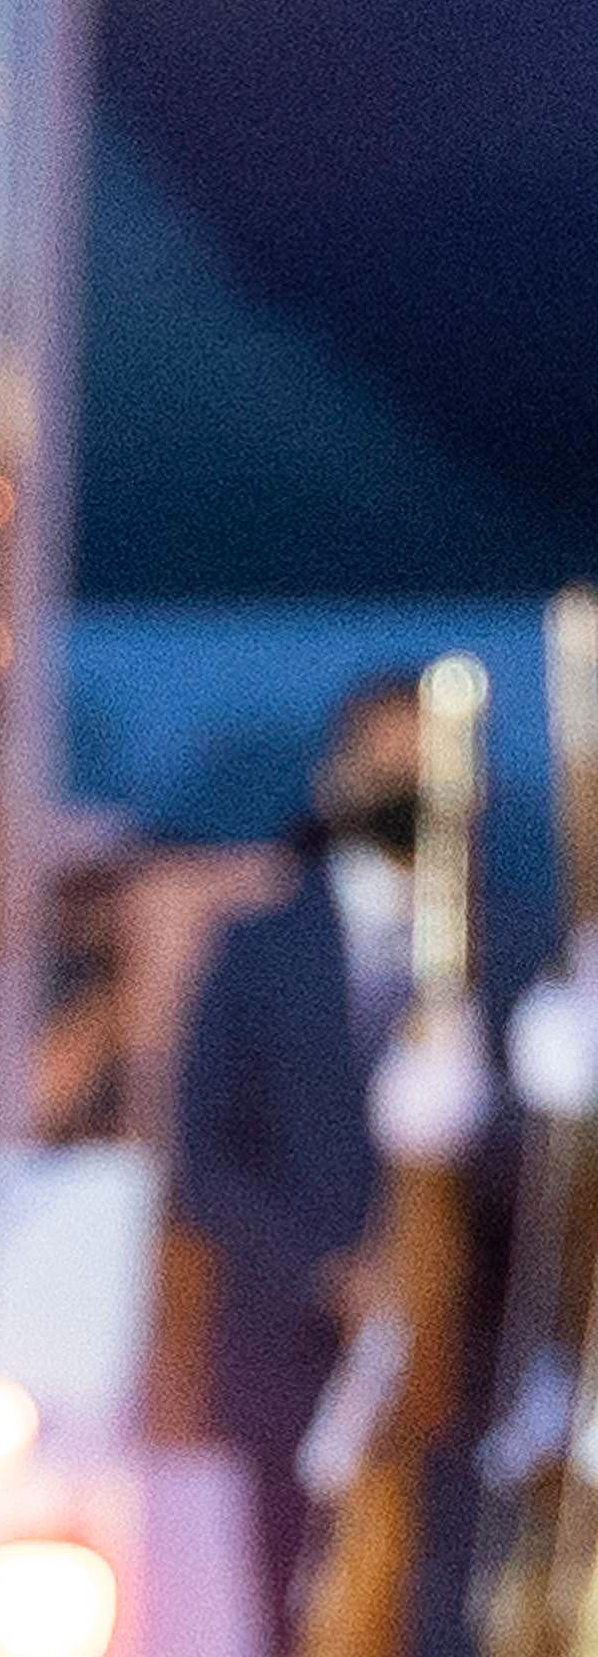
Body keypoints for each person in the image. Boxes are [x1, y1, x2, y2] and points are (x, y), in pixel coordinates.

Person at [168, 673, 498, 1614]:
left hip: (462, 1383)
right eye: (384, 765)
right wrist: (332, 1272)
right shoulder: (257, 951)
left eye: (426, 770)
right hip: (295, 1367)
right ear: (336, 779)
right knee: (311, 1614)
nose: (405, 791)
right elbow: (207, 1158)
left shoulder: (514, 947)